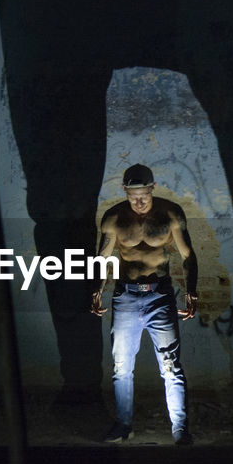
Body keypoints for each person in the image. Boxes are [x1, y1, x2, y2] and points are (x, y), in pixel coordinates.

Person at [90, 164, 198, 445]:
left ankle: (180, 429)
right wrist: (97, 289)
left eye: (143, 195)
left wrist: (191, 290)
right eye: (132, 195)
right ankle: (124, 424)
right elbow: (102, 257)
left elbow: (187, 255)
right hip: (125, 297)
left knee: (171, 366)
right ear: (125, 191)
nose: (138, 202)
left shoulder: (170, 213)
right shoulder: (114, 218)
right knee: (122, 367)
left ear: (153, 188)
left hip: (159, 296)